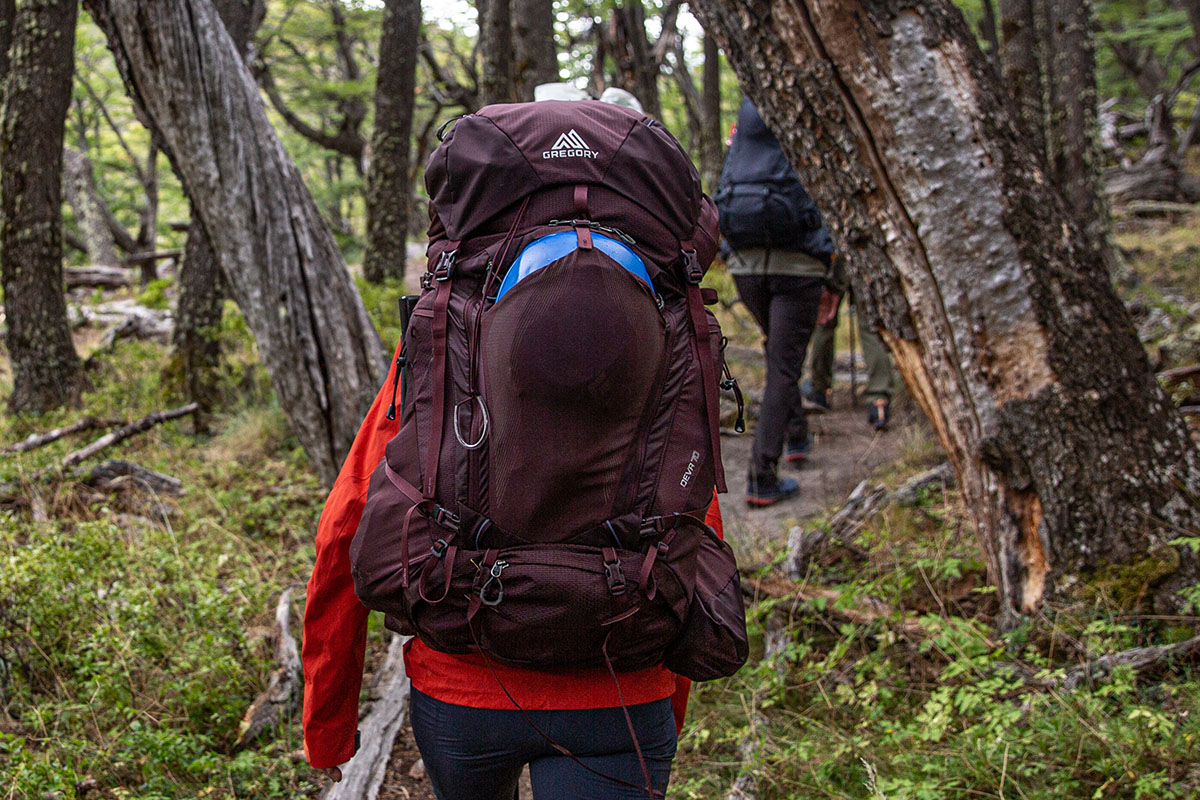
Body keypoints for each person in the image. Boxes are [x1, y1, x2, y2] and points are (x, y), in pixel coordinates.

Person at [303, 96, 730, 800]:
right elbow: (690, 517)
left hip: (461, 690)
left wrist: (328, 723)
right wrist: (662, 688)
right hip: (622, 692)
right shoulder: (669, 341)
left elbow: (346, 523)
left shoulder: (444, 346)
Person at [715, 98, 834, 508]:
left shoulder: (744, 138)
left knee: (779, 355)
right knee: (784, 365)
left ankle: (797, 436)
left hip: (747, 269)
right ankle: (761, 476)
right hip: (798, 269)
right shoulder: (807, 126)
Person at [802, 265, 896, 430]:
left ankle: (819, 390)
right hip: (863, 258)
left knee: (824, 321)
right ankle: (879, 399)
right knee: (870, 326)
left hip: (833, 258)